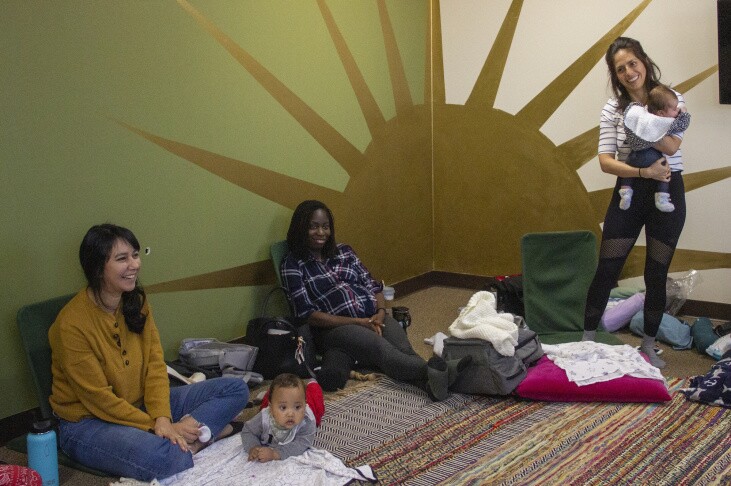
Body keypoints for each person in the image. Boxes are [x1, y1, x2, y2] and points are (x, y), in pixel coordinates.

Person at [49, 224, 249, 480]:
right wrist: (159, 425)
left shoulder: (136, 302)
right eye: (122, 259)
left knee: (235, 389)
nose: (134, 264)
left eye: (135, 254)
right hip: (89, 422)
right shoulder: (70, 325)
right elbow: (99, 400)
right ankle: (201, 437)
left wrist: (163, 418)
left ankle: (192, 440)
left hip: (142, 405)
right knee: (168, 455)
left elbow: (155, 366)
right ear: (98, 268)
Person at [280, 200, 468, 399]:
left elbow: (374, 286)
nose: (321, 233)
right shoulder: (293, 264)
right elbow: (308, 315)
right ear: (301, 228)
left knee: (404, 349)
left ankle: (431, 385)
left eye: (325, 227)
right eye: (313, 227)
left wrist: (380, 313)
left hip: (373, 316)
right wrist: (358, 322)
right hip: (336, 328)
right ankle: (446, 371)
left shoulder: (344, 252)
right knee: (383, 351)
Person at [582, 37, 688, 369]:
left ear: (643, 60)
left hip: (668, 189)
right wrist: (643, 170)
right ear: (615, 75)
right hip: (630, 188)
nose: (629, 72)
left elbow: (671, 147)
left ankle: (649, 346)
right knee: (607, 269)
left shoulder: (673, 98)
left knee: (656, 273)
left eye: (633, 63)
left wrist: (640, 122)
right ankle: (586, 341)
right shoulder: (612, 108)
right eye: (620, 69)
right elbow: (605, 161)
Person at [618, 84, 691, 212]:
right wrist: (684, 114)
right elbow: (681, 126)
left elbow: (671, 148)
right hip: (652, 159)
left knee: (627, 173)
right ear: (661, 113)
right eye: (674, 109)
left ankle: (625, 191)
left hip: (634, 158)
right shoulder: (665, 121)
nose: (676, 111)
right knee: (664, 173)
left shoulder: (640, 113)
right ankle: (662, 198)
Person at [241, 373, 315, 462]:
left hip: (313, 406)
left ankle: (313, 385)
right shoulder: (264, 417)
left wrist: (275, 454)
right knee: (272, 400)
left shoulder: (307, 421)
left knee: (316, 402)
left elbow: (302, 443)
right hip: (271, 406)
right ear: (271, 409)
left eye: (297, 407)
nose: (290, 414)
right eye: (283, 408)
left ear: (304, 405)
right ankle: (266, 397)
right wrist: (253, 447)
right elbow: (248, 431)